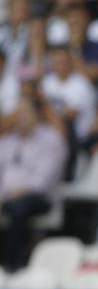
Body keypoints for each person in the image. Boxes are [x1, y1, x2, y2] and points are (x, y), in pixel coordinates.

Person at [0, 96, 66, 271]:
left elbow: (41, 182)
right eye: (17, 113)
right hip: (6, 197)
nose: (19, 117)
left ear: (36, 115)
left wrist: (8, 195)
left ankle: (13, 265)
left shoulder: (51, 140)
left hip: (39, 198)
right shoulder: (7, 142)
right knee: (14, 205)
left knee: (19, 207)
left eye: (24, 112)